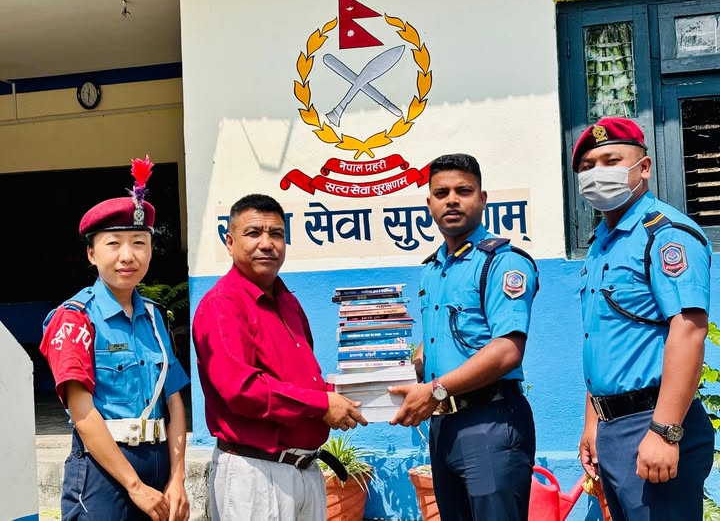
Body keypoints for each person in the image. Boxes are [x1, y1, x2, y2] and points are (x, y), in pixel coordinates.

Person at [192, 193, 368, 521]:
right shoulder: (222, 306)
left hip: (305, 471)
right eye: (253, 233)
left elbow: (303, 381)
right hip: (255, 474)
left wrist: (351, 395)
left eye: (276, 234)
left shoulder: (289, 302)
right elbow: (241, 391)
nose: (267, 243)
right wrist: (322, 404)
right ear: (229, 242)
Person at [573, 117, 715, 520]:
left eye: (611, 161)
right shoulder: (601, 244)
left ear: (644, 167)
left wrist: (665, 431)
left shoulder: (666, 234)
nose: (597, 173)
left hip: (655, 423)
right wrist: (593, 422)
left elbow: (689, 331)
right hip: (612, 429)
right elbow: (603, 340)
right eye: (587, 167)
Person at [40, 156, 190, 521]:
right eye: (114, 244)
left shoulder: (154, 317)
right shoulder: (74, 319)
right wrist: (134, 486)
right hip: (102, 474)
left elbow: (173, 401)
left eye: (139, 242)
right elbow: (82, 412)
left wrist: (178, 478)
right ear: (91, 254)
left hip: (160, 468)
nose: (128, 255)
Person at [390, 153, 539, 520]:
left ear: (482, 199)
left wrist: (434, 389)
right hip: (444, 427)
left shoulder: (503, 262)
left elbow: (507, 350)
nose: (452, 200)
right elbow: (438, 340)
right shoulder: (433, 269)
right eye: (442, 193)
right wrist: (395, 371)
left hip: (490, 422)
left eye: (464, 191)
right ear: (429, 203)